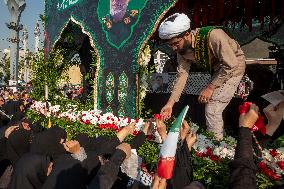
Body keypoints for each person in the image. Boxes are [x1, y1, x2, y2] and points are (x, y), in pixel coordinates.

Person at [158, 13, 246, 139]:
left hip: (234, 66)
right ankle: (218, 138)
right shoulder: (180, 50)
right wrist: (170, 104)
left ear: (187, 34)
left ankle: (215, 148)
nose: (173, 48)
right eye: (170, 45)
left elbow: (230, 64)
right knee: (210, 105)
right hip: (217, 71)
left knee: (212, 107)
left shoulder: (214, 36)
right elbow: (182, 76)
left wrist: (210, 88)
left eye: (176, 43)